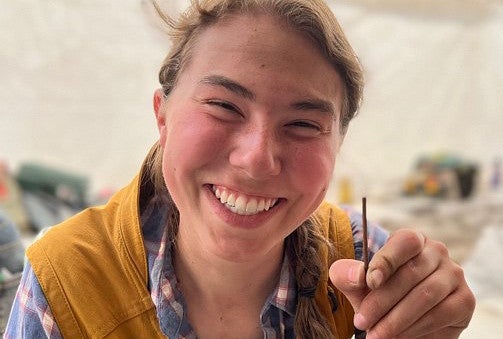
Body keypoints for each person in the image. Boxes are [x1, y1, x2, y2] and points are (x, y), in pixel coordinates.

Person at [5, 0, 475, 338]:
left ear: (338, 144)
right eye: (224, 106)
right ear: (162, 116)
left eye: (303, 123)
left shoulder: (361, 258)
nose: (256, 159)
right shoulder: (66, 282)